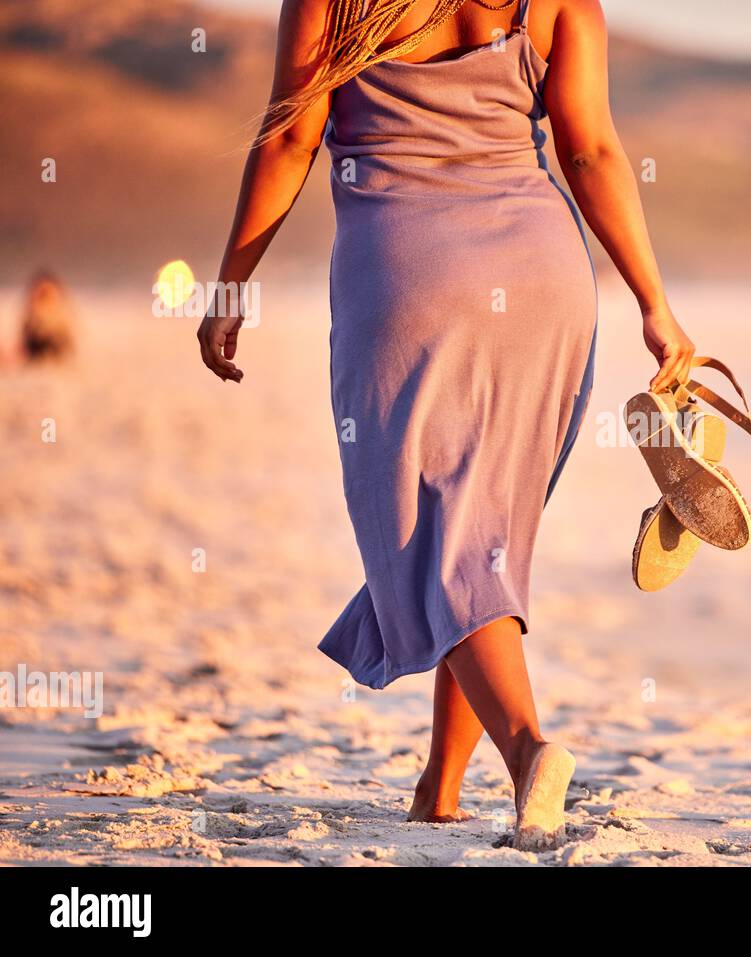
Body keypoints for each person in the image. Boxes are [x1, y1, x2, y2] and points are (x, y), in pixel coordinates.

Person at [195, 0, 695, 850]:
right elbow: (592, 149)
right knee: (476, 532)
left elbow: (289, 139)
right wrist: (655, 304)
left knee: (439, 530)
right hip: (542, 279)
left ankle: (530, 748)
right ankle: (441, 786)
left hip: (405, 276)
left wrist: (232, 284)